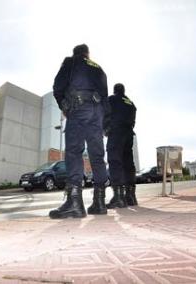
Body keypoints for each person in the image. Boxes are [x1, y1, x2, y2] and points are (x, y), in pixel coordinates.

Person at [49, 44, 109, 219]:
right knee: (97, 155)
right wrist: (105, 123)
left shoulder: (70, 62)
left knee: (74, 151)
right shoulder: (99, 68)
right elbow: (105, 98)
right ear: (87, 53)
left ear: (75, 53)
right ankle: (100, 203)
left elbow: (58, 86)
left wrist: (64, 106)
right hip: (97, 112)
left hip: (79, 107)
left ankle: (75, 203)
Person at [104, 83, 138, 208]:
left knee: (114, 161)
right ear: (124, 90)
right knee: (128, 163)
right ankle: (131, 197)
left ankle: (118, 197)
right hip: (128, 134)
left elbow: (105, 113)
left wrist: (105, 128)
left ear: (114, 90)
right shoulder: (131, 103)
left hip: (116, 132)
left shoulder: (112, 99)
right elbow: (133, 120)